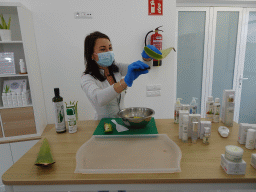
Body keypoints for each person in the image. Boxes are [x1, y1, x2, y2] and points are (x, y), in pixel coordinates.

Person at [81, 31, 161, 120]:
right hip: (103, 125)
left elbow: (144, 68)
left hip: (122, 121)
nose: (108, 52)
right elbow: (98, 98)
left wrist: (147, 58)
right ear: (92, 55)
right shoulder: (87, 78)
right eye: (103, 49)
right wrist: (124, 82)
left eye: (110, 48)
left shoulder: (116, 68)